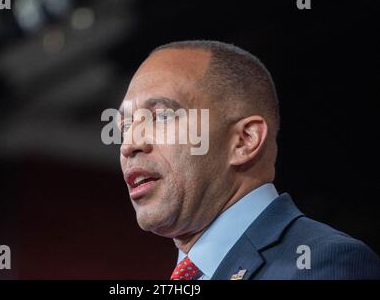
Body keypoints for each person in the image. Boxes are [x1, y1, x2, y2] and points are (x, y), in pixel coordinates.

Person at [118, 40, 380, 280]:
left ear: (244, 141)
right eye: (125, 125)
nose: (129, 144)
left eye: (162, 116)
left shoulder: (323, 265)